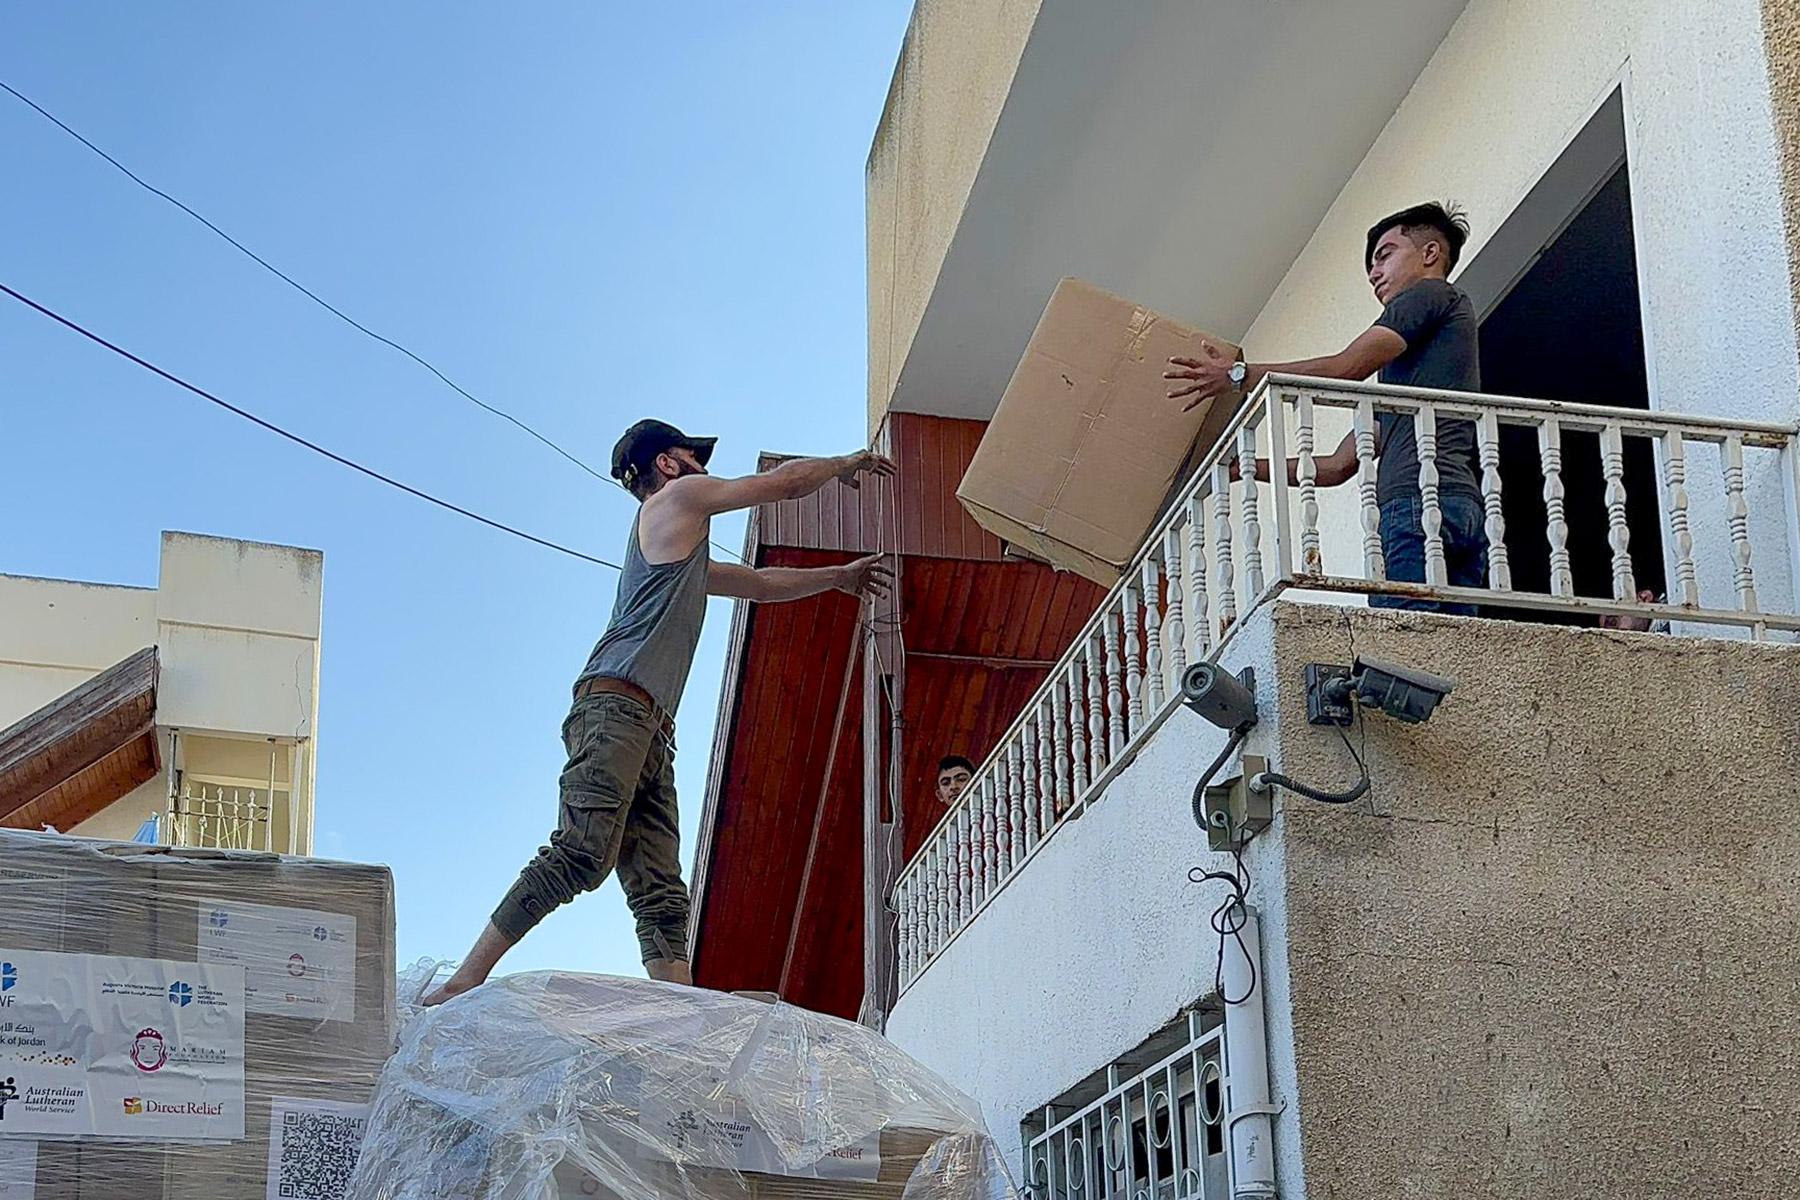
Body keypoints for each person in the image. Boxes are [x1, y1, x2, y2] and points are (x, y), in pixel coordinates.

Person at [422, 420, 896, 1005]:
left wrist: (839, 578)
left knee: (661, 892)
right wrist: (844, 463)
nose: (703, 468)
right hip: (616, 706)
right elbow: (782, 486)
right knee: (581, 853)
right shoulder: (678, 498)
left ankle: (684, 1013)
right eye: (692, 457)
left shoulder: (682, 555)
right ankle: (466, 977)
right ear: (667, 467)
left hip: (647, 729)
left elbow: (761, 583)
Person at [1165, 202, 1488, 614]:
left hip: (1416, 508)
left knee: (1405, 651)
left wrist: (1238, 376)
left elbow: (1345, 366)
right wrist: (1241, 467)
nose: (1373, 274)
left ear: (1429, 254)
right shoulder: (1408, 383)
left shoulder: (1429, 293)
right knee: (1453, 660)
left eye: (1385, 255)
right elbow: (1336, 465)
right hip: (1459, 508)